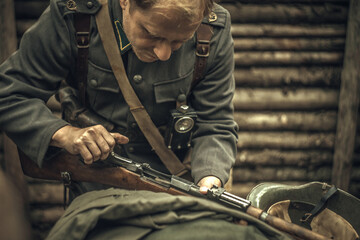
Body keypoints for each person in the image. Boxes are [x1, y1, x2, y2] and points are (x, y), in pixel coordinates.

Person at [0, 0, 237, 200]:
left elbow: (215, 122)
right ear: (125, 2)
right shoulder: (77, 16)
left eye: (179, 42)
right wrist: (65, 134)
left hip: (178, 188)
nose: (164, 54)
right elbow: (10, 94)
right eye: (151, 34)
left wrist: (210, 180)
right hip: (96, 187)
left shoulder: (212, 29)